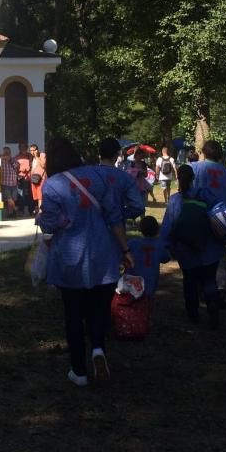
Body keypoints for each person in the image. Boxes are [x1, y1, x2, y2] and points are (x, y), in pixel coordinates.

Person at [37, 137, 132, 387]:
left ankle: (78, 371)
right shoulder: (100, 177)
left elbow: (49, 222)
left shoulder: (52, 186)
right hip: (102, 255)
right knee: (98, 310)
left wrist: (48, 220)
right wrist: (125, 249)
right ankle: (98, 349)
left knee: (73, 315)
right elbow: (114, 216)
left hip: (69, 258)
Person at [160, 165, 224, 329]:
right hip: (210, 248)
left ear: (178, 179)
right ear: (194, 177)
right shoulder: (206, 194)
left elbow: (167, 227)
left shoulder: (175, 200)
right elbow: (219, 213)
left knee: (189, 281)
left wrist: (165, 248)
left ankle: (193, 314)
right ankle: (212, 305)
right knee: (209, 279)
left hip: (186, 250)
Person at [191, 140, 226, 301]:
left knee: (196, 251)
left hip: (198, 216)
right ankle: (219, 287)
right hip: (221, 218)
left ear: (204, 152)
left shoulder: (194, 168)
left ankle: (198, 285)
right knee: (219, 254)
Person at [97, 137, 145, 223]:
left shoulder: (87, 175)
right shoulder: (125, 177)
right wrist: (118, 214)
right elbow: (139, 206)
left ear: (99, 154)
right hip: (117, 227)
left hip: (92, 228)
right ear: (117, 154)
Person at [0, 147, 19, 218]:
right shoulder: (0, 160)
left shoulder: (14, 160)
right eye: (5, 152)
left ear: (10, 152)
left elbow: (17, 167)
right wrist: (2, 157)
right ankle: (15, 209)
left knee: (12, 199)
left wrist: (10, 160)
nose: (6, 153)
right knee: (9, 198)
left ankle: (10, 213)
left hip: (13, 183)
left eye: (8, 152)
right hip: (5, 183)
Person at [14, 142, 33, 215]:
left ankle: (31, 210)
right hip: (20, 178)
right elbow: (14, 168)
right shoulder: (16, 157)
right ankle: (21, 210)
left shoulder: (29, 156)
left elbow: (32, 166)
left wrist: (28, 169)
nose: (23, 148)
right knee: (21, 195)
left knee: (30, 195)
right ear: (19, 148)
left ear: (26, 148)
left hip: (29, 178)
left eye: (24, 147)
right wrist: (19, 171)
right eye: (21, 147)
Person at [29, 144, 46, 214]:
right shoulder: (31, 157)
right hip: (34, 179)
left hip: (41, 179)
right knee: (35, 196)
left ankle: (40, 211)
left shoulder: (42, 155)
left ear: (37, 150)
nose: (32, 152)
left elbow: (43, 165)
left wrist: (37, 156)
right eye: (31, 150)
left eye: (33, 150)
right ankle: (37, 210)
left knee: (40, 196)